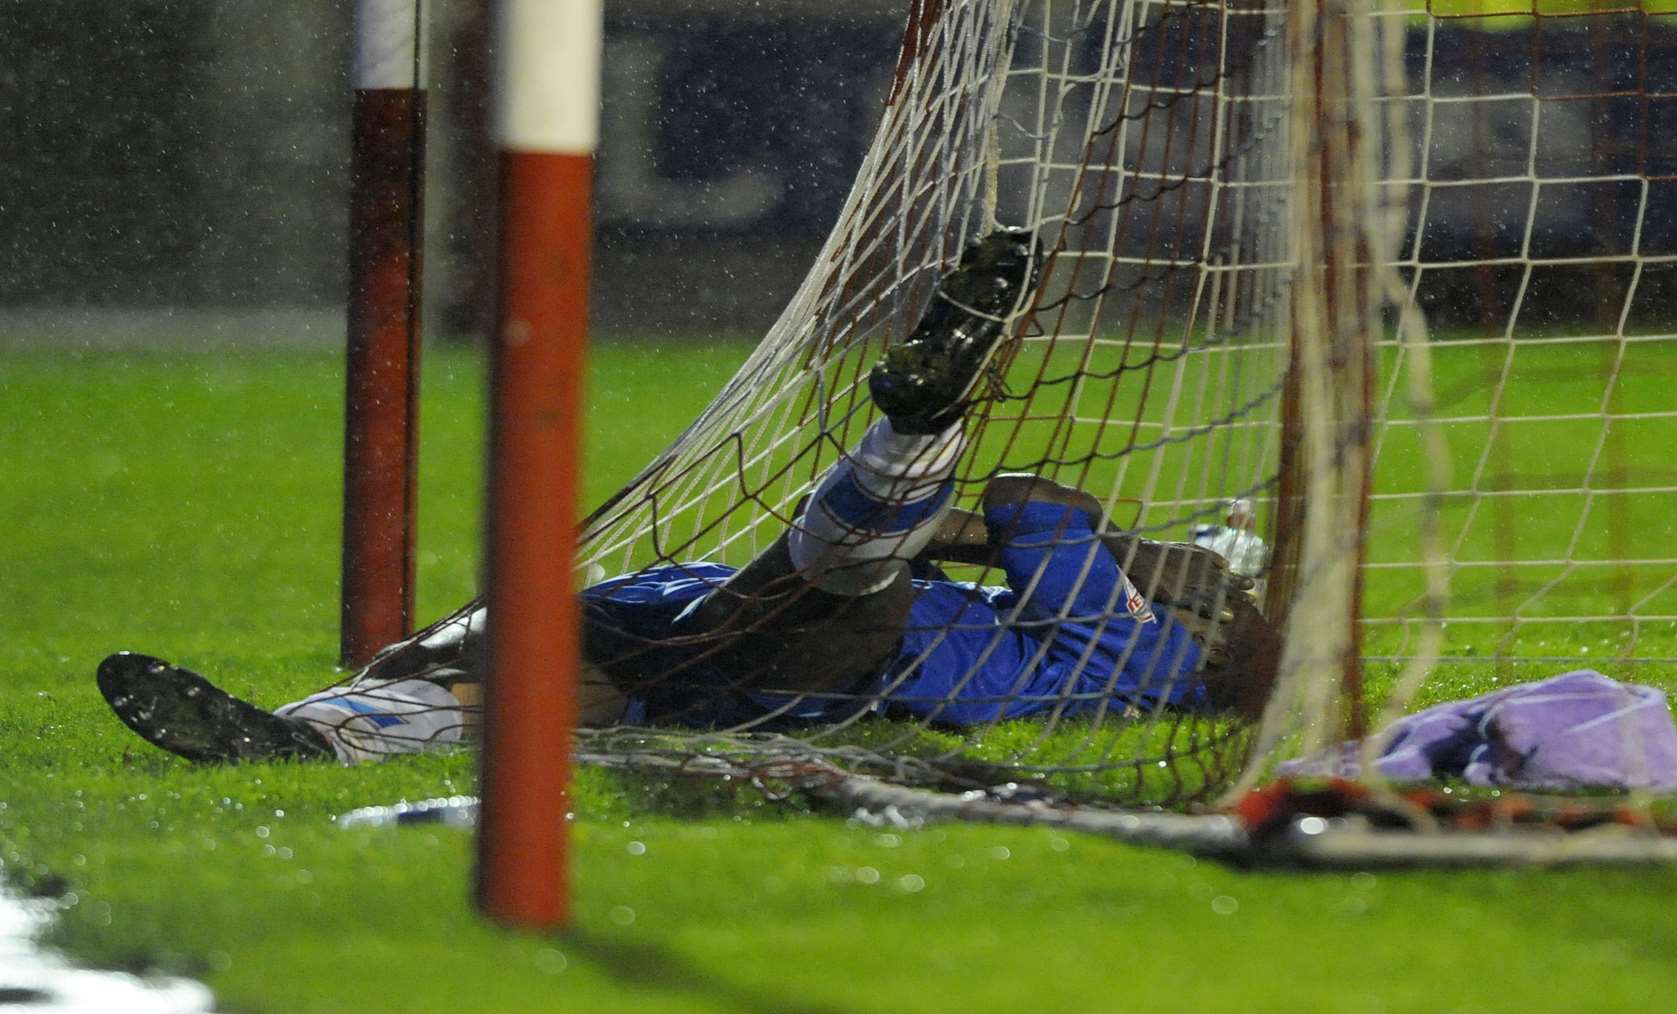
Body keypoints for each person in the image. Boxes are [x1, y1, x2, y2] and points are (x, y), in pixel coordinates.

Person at [98, 228, 1276, 766]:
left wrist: (1097, 540)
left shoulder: (1154, 643)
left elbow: (1031, 503)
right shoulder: (1134, 675)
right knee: (555, 689)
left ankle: (918, 423)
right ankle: (304, 742)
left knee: (841, 568)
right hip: (734, 652)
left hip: (835, 653)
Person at [1191, 497, 1271, 579]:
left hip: (1212, 581)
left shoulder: (1210, 536)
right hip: (1242, 584)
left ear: (1228, 519)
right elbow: (1257, 571)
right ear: (1252, 522)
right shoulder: (1257, 542)